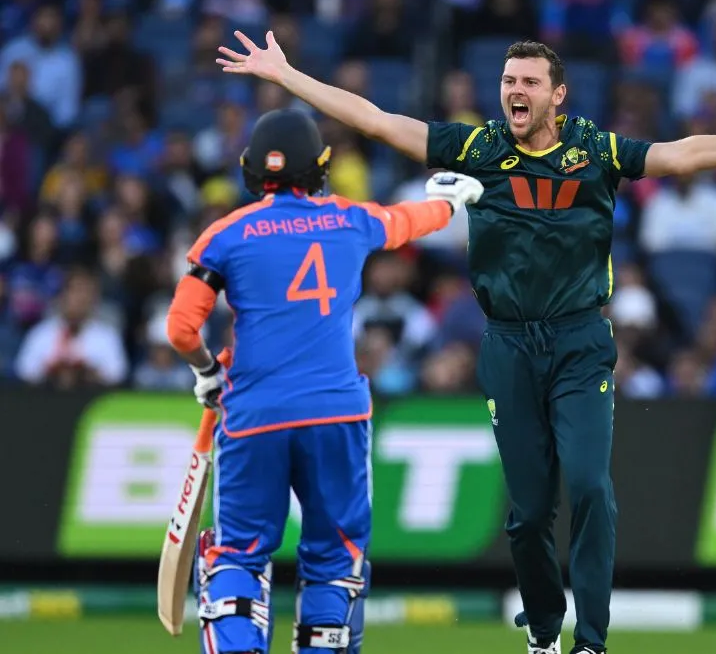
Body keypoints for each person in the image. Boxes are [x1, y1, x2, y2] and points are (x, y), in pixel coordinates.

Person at [215, 32, 716, 654]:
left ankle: (591, 642)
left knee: (590, 487)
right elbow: (376, 121)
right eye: (509, 81)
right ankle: (543, 632)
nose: (515, 91)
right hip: (508, 346)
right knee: (529, 514)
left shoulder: (595, 149)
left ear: (557, 95)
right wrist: (288, 77)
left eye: (530, 82)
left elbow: (678, 155)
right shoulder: (479, 148)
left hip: (580, 343)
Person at [164, 107, 484, 654]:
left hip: (255, 416)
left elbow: (180, 328)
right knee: (336, 561)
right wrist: (450, 202)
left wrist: (208, 372)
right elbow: (408, 220)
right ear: (320, 165)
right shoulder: (349, 220)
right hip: (337, 415)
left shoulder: (226, 234)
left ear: (251, 168)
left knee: (238, 556)